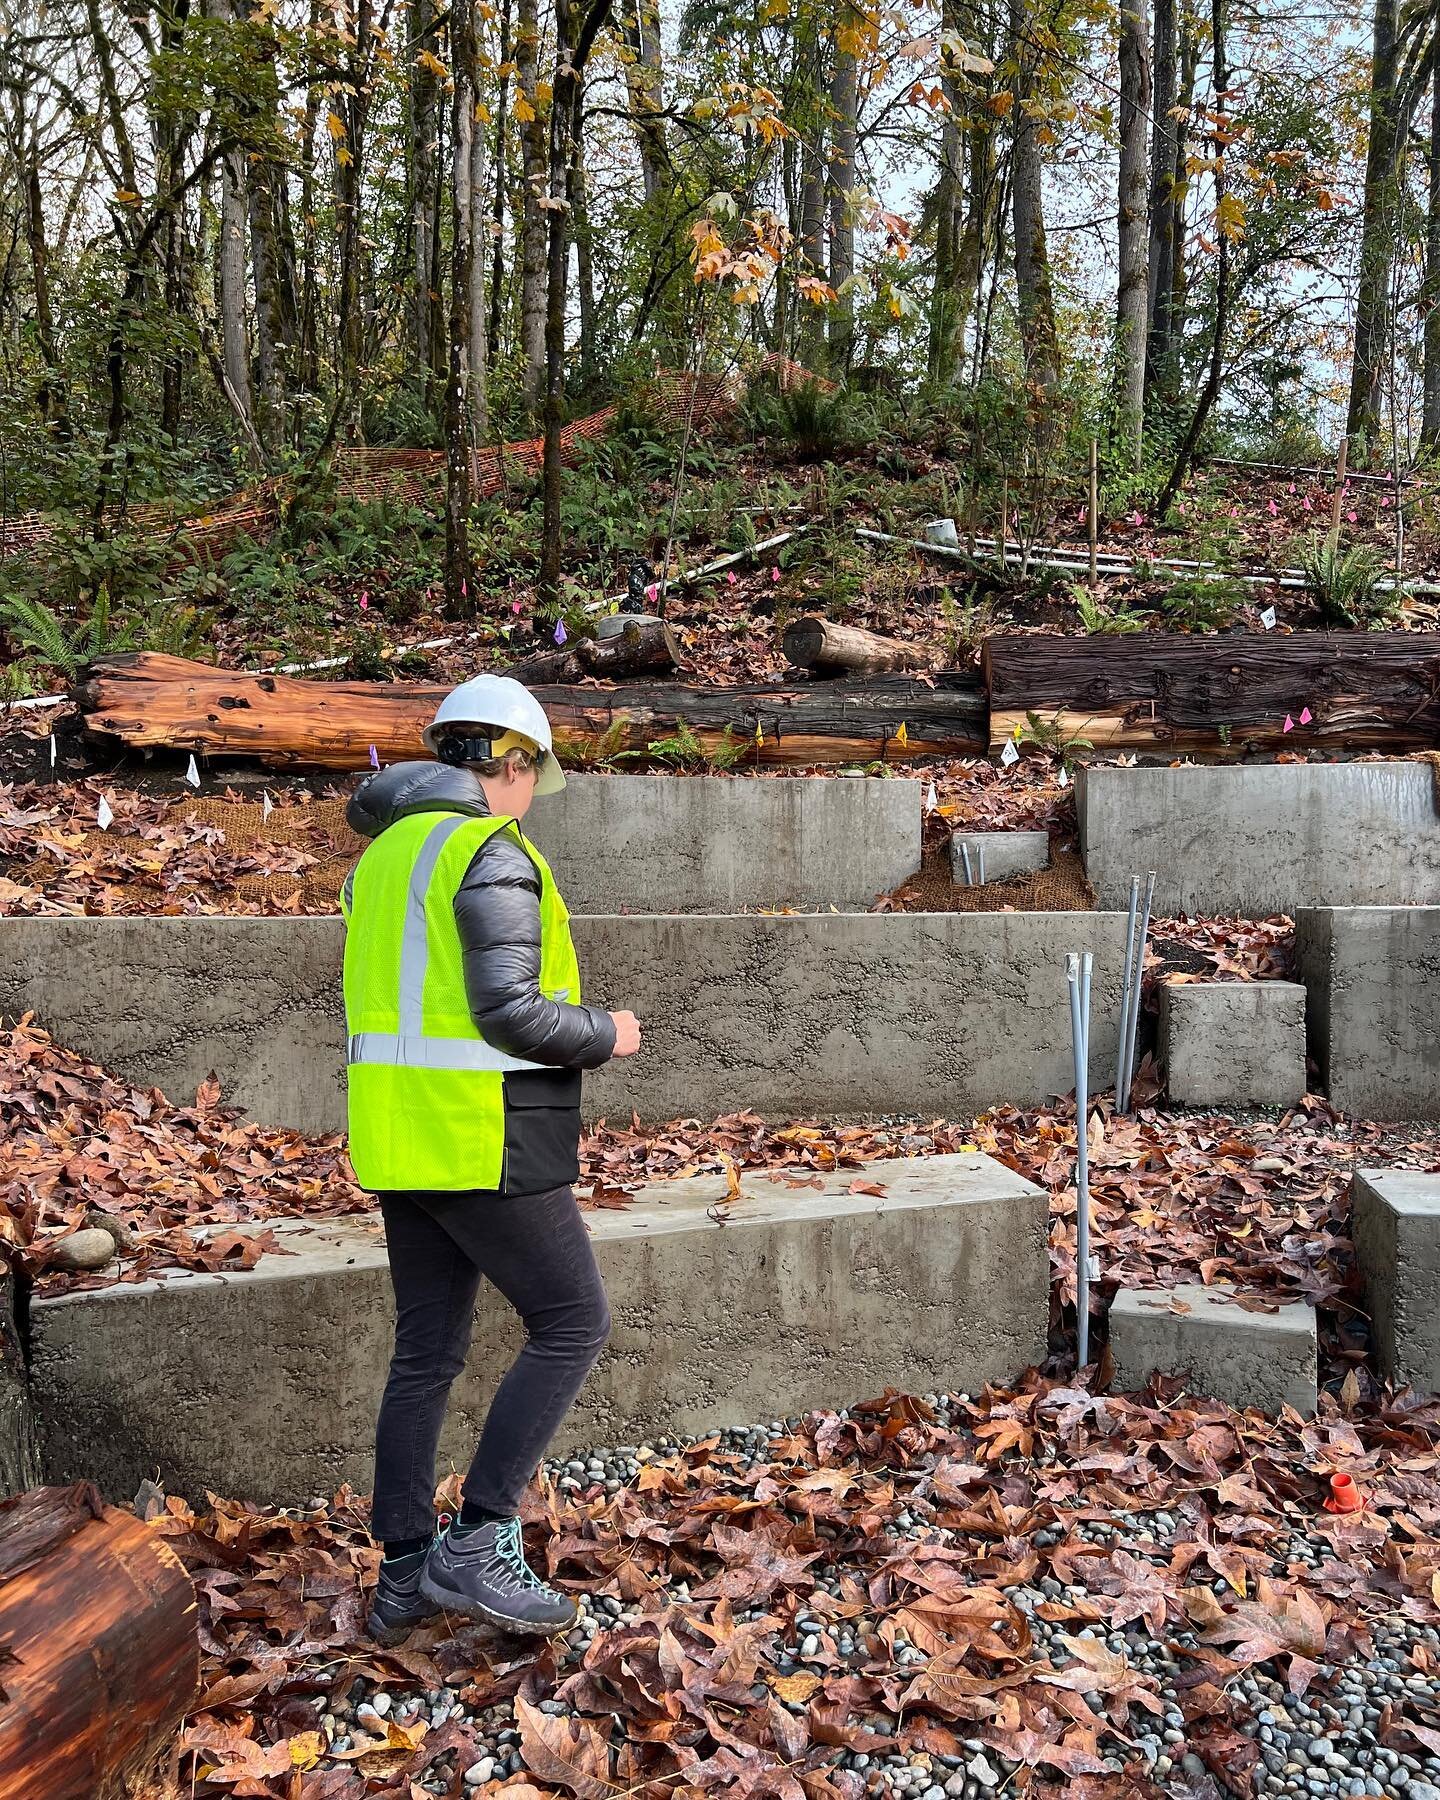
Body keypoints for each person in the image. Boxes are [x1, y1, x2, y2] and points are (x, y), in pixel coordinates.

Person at [339, 675, 641, 1644]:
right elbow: (509, 1011)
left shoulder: (382, 860)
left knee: (425, 1353)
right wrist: (610, 1031)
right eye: (529, 777)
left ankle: (403, 1577)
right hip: (483, 1134)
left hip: (399, 1137)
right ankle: (482, 1535)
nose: (527, 798)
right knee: (574, 1320)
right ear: (508, 763)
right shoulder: (484, 850)